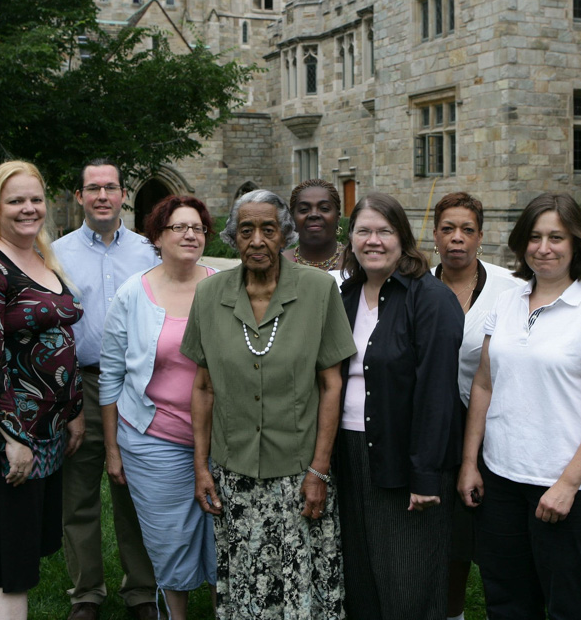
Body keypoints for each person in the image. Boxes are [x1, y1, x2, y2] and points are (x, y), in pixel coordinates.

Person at [458, 192, 581, 620]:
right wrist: (469, 463)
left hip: (571, 489)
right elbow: (483, 382)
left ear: (577, 243)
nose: (543, 248)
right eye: (534, 237)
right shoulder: (507, 302)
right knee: (507, 603)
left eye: (556, 237)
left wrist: (567, 485)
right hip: (501, 481)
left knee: (570, 607)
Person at [181, 189, 356, 620]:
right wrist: (202, 467)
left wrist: (319, 469)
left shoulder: (317, 290)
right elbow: (203, 388)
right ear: (232, 239)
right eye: (246, 230)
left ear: (284, 236)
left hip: (298, 475)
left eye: (268, 229)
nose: (257, 240)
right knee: (245, 581)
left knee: (301, 580)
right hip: (234, 472)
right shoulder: (209, 295)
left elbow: (331, 385)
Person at [0, 160, 86, 620]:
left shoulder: (42, 258)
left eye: (36, 199)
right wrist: (13, 439)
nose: (29, 209)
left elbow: (61, 339)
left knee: (13, 555)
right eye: (16, 201)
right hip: (5, 436)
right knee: (9, 562)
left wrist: (74, 409)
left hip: (44, 428)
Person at [337, 192, 465, 620]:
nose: (373, 240)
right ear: (351, 238)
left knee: (407, 583)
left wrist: (424, 474)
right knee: (361, 577)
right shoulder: (347, 295)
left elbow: (438, 394)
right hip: (350, 454)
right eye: (363, 231)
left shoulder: (430, 298)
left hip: (407, 457)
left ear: (402, 238)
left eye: (384, 231)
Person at [100, 196, 219, 620]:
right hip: (154, 440)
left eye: (198, 228)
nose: (190, 235)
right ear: (157, 236)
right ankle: (177, 615)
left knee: (224, 531)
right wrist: (113, 448)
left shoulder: (224, 287)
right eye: (179, 227)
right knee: (169, 537)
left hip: (223, 437)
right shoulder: (134, 293)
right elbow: (111, 375)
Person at [53, 159, 159, 620]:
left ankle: (141, 592)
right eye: (92, 188)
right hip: (80, 385)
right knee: (78, 497)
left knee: (134, 492)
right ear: (79, 197)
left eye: (110, 188)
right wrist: (68, 397)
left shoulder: (148, 252)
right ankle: (87, 595)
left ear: (122, 196)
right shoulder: (53, 253)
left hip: (137, 388)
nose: (102, 196)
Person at [431, 192, 524, 620]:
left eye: (467, 229)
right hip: (433, 428)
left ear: (481, 236)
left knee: (491, 530)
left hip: (493, 424)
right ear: (434, 235)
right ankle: (452, 612)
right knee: (447, 535)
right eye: (448, 228)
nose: (457, 238)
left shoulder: (511, 289)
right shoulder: (417, 286)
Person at [283, 178, 345, 271]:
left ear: (337, 217)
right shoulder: (279, 264)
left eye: (324, 208)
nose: (314, 214)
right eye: (304, 209)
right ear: (292, 219)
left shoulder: (357, 260)